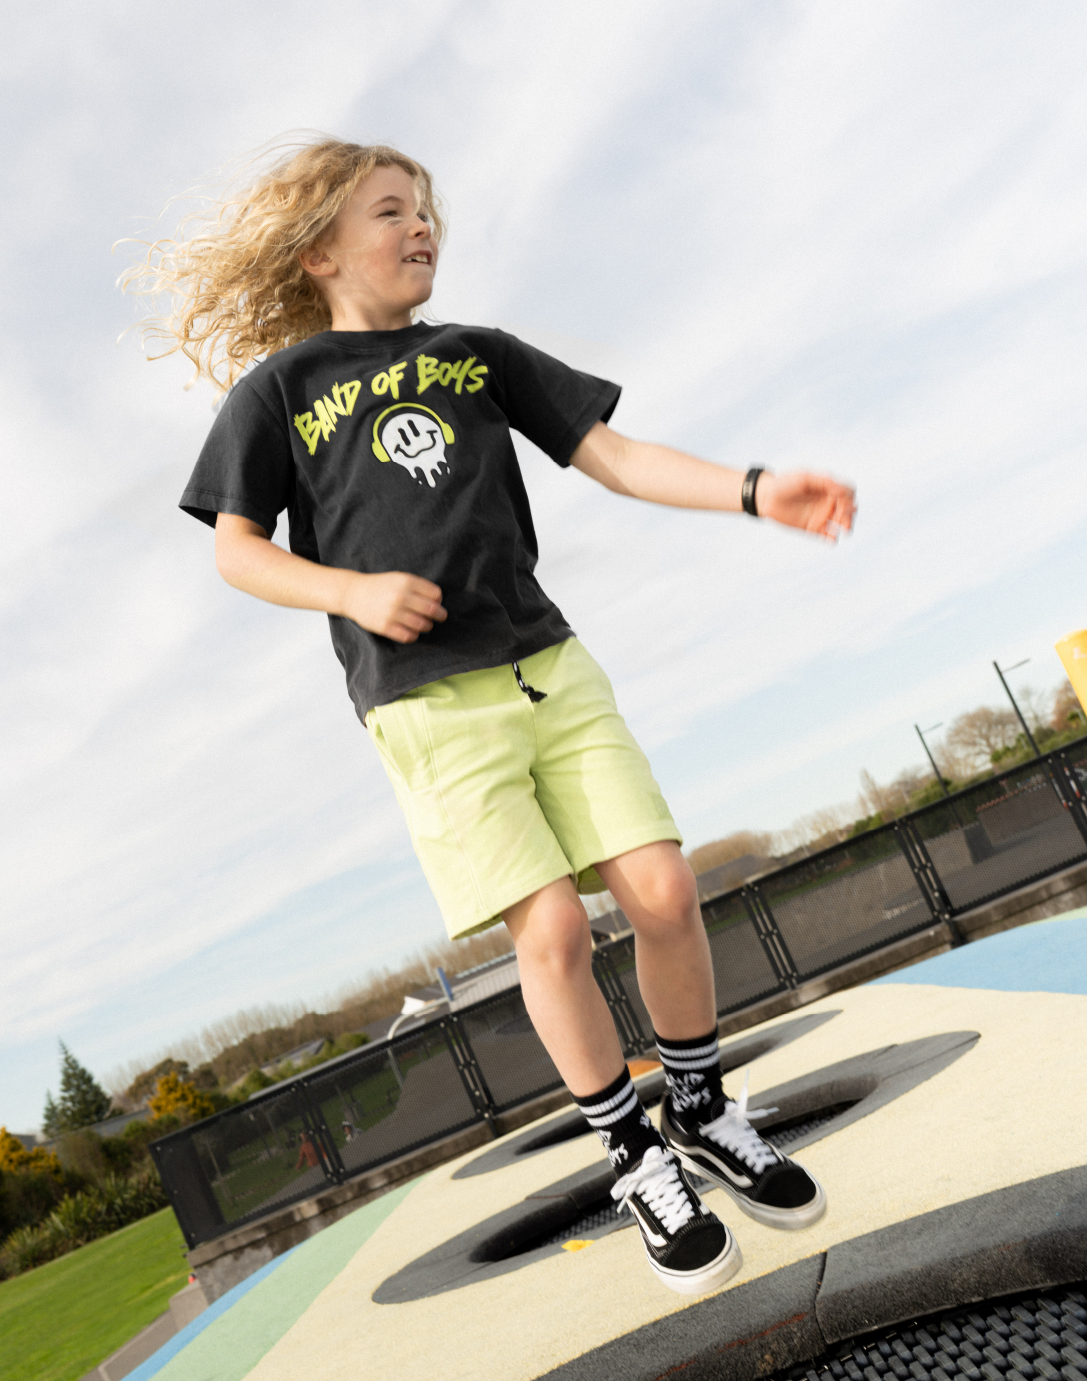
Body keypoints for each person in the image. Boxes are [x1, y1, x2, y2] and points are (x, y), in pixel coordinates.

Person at [127, 137, 855, 1297]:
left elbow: (609, 455)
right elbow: (236, 549)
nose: (420, 228)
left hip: (546, 666)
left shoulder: (477, 356)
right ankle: (631, 1154)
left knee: (663, 890)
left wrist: (754, 488)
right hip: (426, 706)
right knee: (553, 934)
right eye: (388, 213)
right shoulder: (282, 391)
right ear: (320, 249)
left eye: (424, 211)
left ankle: (706, 1108)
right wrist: (349, 589)